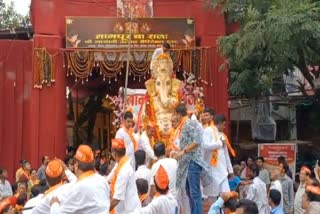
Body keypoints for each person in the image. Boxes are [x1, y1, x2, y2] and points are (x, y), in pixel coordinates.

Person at [173, 103, 213, 214]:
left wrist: (183, 151)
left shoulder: (189, 124)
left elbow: (197, 141)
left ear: (177, 114)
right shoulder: (184, 124)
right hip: (186, 163)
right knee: (189, 191)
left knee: (194, 193)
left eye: (174, 115)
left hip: (192, 162)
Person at [50, 144, 110, 213]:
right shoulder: (102, 180)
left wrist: (54, 204)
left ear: (77, 164)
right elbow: (77, 181)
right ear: (93, 163)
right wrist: (66, 169)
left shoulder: (78, 188)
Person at [202, 114, 234, 199]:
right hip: (212, 170)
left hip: (222, 171)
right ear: (219, 123)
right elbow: (205, 145)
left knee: (226, 196)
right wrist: (219, 143)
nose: (224, 127)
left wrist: (230, 169)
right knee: (212, 197)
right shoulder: (208, 130)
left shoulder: (222, 135)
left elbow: (226, 154)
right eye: (223, 124)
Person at [108, 139, 141, 213]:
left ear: (114, 153)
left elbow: (117, 199)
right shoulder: (120, 164)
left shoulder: (123, 170)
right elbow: (109, 178)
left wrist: (102, 211)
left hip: (130, 210)